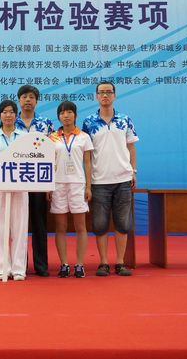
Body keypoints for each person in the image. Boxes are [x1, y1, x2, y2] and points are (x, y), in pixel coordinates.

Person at [81, 81, 139, 277]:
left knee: (123, 224)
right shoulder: (89, 122)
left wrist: (133, 171)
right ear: (96, 96)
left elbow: (131, 147)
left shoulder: (125, 119)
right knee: (100, 225)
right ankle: (104, 262)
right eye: (101, 92)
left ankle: (120, 262)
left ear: (114, 95)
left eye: (108, 92)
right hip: (99, 181)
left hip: (123, 179)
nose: (105, 95)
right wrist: (88, 182)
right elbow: (87, 155)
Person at [0, 99, 28, 281]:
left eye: (11, 112)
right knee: (0, 229)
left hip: (21, 187)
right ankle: (3, 268)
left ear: (16, 115)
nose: (8, 115)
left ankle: (18, 269)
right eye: (4, 112)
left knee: (20, 229)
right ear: (0, 115)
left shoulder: (24, 136)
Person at [48, 101, 94, 278]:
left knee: (80, 226)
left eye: (69, 112)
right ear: (58, 116)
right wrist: (48, 186)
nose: (66, 116)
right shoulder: (52, 138)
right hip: (58, 185)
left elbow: (87, 163)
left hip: (77, 184)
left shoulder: (84, 137)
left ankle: (80, 264)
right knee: (60, 227)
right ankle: (64, 264)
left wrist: (88, 186)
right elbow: (48, 163)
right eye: (62, 113)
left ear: (75, 115)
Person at [15, 85, 55, 277]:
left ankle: (41, 265)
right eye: (24, 97)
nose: (28, 100)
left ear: (36, 101)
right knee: (19, 224)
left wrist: (49, 184)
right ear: (19, 100)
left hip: (39, 181)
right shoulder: (10, 122)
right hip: (17, 181)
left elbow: (53, 153)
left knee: (39, 224)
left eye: (31, 97)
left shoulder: (45, 124)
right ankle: (19, 265)